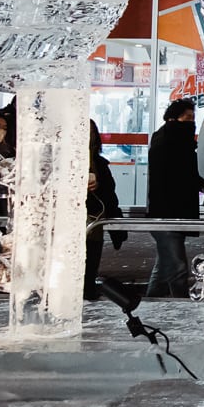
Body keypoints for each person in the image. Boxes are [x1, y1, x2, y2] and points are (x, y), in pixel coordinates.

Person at [145, 98, 204, 297]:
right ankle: (181, 306)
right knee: (177, 267)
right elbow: (174, 176)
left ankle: (150, 302)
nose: (192, 122)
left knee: (164, 265)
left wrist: (200, 183)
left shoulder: (177, 140)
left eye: (193, 117)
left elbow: (183, 174)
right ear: (174, 117)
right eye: (188, 117)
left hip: (172, 212)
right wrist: (196, 183)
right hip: (168, 213)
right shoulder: (169, 140)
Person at [85, 120, 126, 300]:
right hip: (70, 222)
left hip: (94, 219)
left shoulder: (99, 163)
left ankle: (88, 291)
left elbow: (109, 194)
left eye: (90, 132)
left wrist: (118, 228)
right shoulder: (60, 159)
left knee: (91, 261)